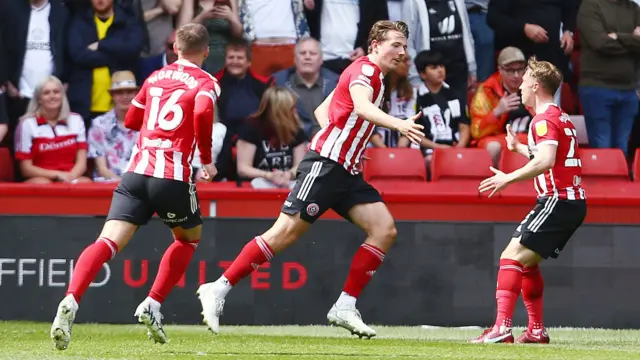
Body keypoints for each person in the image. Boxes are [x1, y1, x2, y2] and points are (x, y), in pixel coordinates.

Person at [196, 20, 424, 339]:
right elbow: (360, 106)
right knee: (284, 233)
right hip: (326, 166)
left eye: (404, 46)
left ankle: (345, 305)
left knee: (384, 230)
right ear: (375, 46)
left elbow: (321, 111)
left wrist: (350, 142)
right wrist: (397, 126)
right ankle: (218, 288)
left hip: (345, 169)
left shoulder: (370, 74)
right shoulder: (367, 72)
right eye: (395, 44)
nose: (402, 52)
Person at [50, 23, 221, 350]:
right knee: (188, 239)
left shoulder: (155, 78)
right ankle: (153, 303)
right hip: (171, 175)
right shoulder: (206, 81)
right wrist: (205, 156)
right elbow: (201, 109)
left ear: (175, 48)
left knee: (107, 241)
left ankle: (71, 298)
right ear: (207, 51)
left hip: (135, 172)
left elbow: (131, 121)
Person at [473, 57, 586, 344]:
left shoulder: (542, 119)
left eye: (523, 82)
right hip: (568, 201)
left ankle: (501, 328)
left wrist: (506, 178)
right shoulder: (560, 116)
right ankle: (536, 330)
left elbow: (547, 161)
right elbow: (554, 158)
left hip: (557, 200)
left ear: (535, 86)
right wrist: (520, 147)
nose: (520, 88)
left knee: (510, 257)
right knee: (527, 264)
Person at [14, 76, 92, 184]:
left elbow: (82, 163)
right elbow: (26, 169)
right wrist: (57, 175)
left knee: (85, 183)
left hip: (70, 176)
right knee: (44, 184)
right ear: (39, 99)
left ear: (62, 96)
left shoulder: (76, 120)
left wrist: (69, 177)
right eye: (46, 93)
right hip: (40, 178)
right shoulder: (26, 124)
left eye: (56, 92)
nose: (52, 96)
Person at [236, 87, 307, 189]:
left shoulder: (295, 128)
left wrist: (288, 174)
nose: (295, 111)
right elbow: (243, 169)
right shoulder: (251, 127)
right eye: (292, 108)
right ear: (279, 110)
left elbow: (300, 165)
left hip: (288, 182)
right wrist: (270, 176)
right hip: (259, 182)